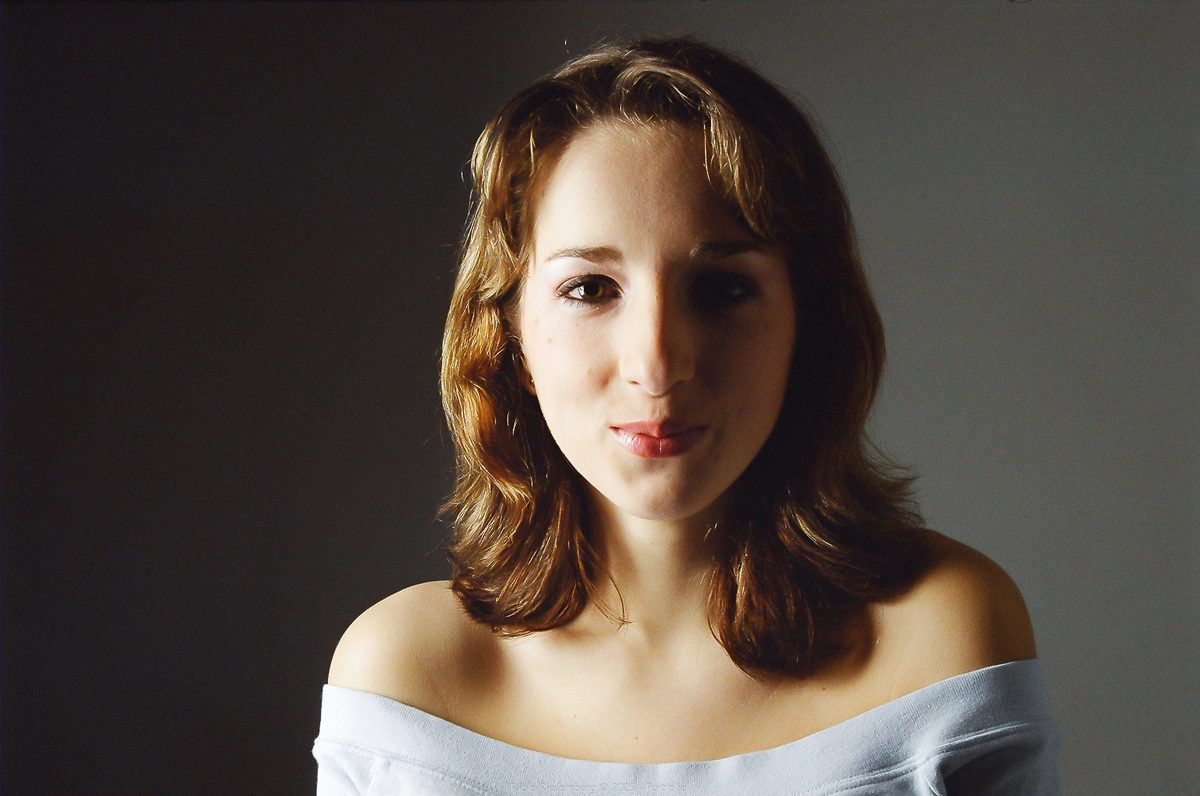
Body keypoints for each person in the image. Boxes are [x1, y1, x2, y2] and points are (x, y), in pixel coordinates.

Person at [313, 38, 1060, 794]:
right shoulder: (402, 681)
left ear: (807, 325)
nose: (659, 364)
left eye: (723, 288)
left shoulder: (943, 641)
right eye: (590, 289)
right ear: (510, 338)